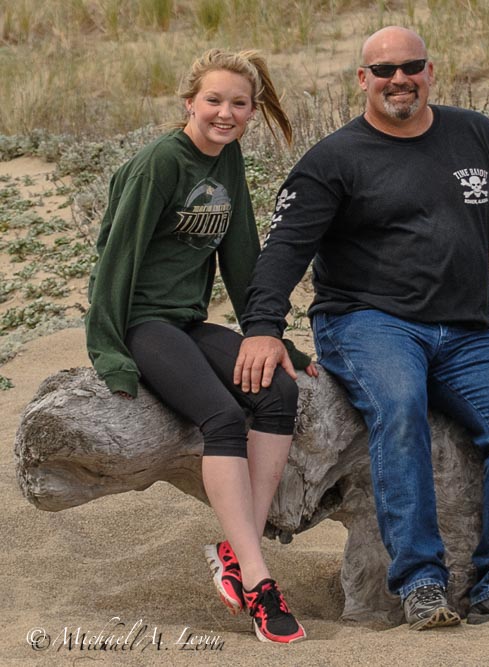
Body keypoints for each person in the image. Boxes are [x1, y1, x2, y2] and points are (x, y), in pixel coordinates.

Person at [233, 26, 489, 630]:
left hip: (465, 333)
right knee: (400, 405)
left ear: (430, 71)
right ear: (363, 80)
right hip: (368, 323)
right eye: (384, 70)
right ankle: (420, 581)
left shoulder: (476, 136)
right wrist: (262, 327)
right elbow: (284, 247)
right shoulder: (334, 159)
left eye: (410, 66)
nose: (399, 79)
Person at [85, 48, 317, 644]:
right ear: (188, 102)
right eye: (214, 100)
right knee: (221, 416)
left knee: (277, 391)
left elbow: (240, 252)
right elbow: (117, 257)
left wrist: (269, 335)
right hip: (143, 321)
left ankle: (235, 550)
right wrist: (109, 349)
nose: (226, 113)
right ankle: (261, 582)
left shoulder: (229, 159)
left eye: (240, 104)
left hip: (187, 320)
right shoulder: (162, 162)